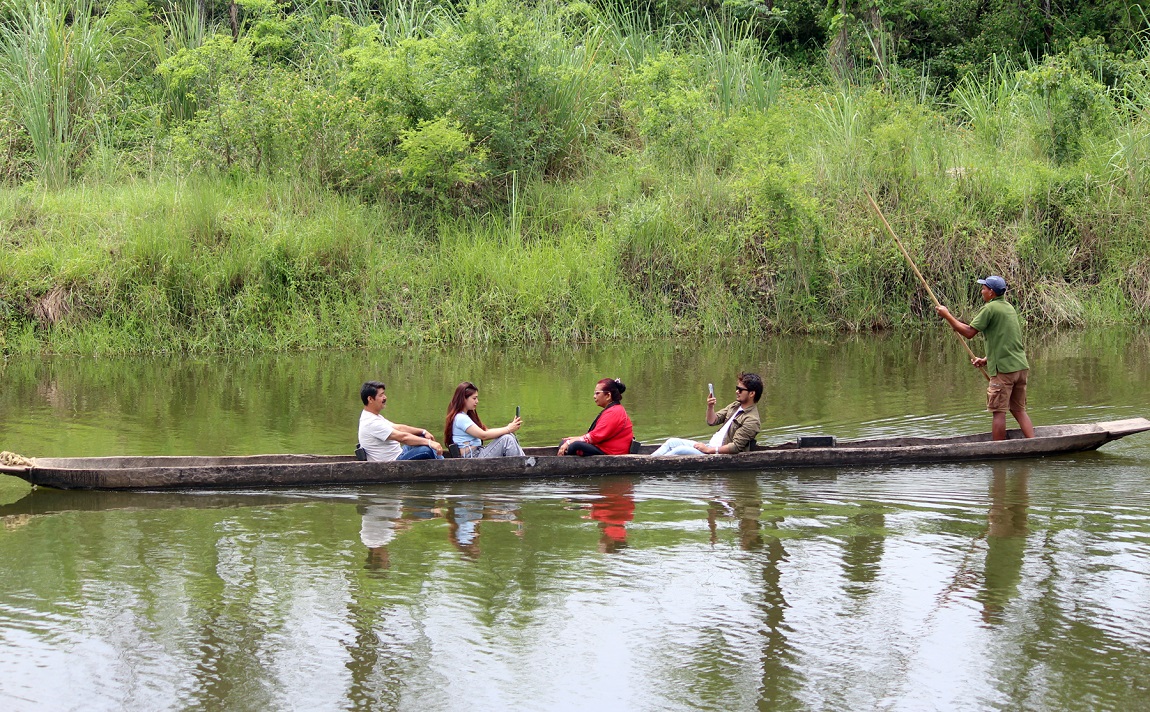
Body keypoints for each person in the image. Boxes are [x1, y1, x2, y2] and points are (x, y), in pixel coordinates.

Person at [936, 275, 1035, 441]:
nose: (982, 291)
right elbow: (1007, 341)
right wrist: (986, 359)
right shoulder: (1009, 308)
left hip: (1004, 371)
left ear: (991, 292)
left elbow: (969, 332)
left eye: (984, 289)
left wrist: (947, 315)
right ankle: (1034, 442)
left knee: (998, 412)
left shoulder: (990, 309)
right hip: (1020, 368)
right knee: (1019, 410)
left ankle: (998, 450)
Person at [651, 373, 763, 456]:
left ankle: (652, 465)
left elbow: (735, 447)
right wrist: (710, 407)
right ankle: (649, 460)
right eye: (737, 388)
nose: (737, 391)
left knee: (679, 450)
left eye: (740, 390)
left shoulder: (752, 420)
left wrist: (708, 450)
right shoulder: (735, 405)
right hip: (710, 448)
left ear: (752, 393)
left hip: (717, 455)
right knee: (672, 442)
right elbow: (712, 421)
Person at [357, 381, 444, 461]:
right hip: (392, 463)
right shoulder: (371, 422)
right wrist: (430, 443)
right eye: (381, 395)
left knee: (423, 438)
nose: (385, 397)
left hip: (399, 452)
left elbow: (399, 428)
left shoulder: (374, 416)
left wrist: (423, 431)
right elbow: (403, 437)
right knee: (426, 450)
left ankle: (442, 462)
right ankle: (444, 465)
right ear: (370, 399)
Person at [443, 381, 525, 458]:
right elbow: (483, 435)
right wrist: (508, 429)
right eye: (474, 398)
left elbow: (485, 431)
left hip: (478, 452)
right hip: (472, 457)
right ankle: (524, 464)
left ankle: (524, 461)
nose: (477, 401)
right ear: (464, 399)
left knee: (509, 436)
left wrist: (509, 429)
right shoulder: (461, 418)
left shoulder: (465, 416)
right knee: (507, 439)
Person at [557, 378, 634, 456]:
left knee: (574, 446)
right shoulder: (613, 409)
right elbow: (596, 435)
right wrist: (572, 439)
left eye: (597, 393)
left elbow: (595, 436)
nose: (594, 396)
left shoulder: (614, 412)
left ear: (608, 395)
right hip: (605, 447)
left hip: (613, 452)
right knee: (565, 442)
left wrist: (570, 442)